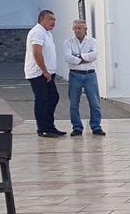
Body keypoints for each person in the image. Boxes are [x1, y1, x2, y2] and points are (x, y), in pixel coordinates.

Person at [25, 10, 64, 138]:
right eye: (51, 19)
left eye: (54, 20)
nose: (54, 22)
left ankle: (50, 127)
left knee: (53, 97)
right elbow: (37, 52)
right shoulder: (37, 32)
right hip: (39, 73)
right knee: (42, 100)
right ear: (42, 19)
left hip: (47, 73)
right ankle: (42, 129)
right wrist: (45, 71)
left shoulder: (47, 33)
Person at [64, 19, 104, 136]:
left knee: (95, 103)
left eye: (79, 28)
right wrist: (85, 58)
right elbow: (68, 57)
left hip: (90, 75)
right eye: (75, 28)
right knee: (74, 103)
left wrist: (77, 57)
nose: (77, 30)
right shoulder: (68, 42)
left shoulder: (92, 41)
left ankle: (96, 127)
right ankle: (77, 127)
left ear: (85, 29)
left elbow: (95, 54)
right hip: (74, 75)